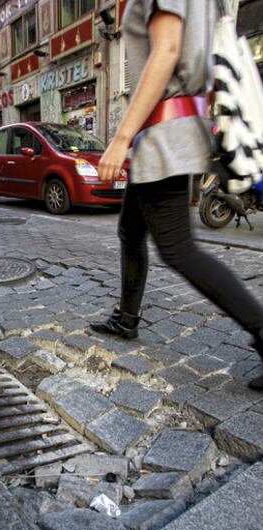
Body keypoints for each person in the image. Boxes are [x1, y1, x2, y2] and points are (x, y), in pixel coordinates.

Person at [91, 0, 263, 390]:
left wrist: (119, 139)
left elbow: (166, 52)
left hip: (164, 133)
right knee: (130, 230)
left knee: (177, 248)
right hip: (170, 130)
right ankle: (127, 319)